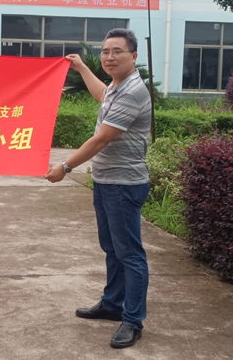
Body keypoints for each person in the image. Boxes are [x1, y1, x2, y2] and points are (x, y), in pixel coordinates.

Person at [45, 28, 151, 349]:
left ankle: (132, 320)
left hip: (123, 184)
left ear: (133, 56)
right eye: (105, 51)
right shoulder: (118, 86)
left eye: (117, 51)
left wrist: (66, 166)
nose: (109, 57)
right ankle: (112, 304)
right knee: (112, 248)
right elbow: (101, 94)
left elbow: (101, 138)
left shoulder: (132, 92)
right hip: (106, 181)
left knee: (129, 253)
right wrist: (81, 67)